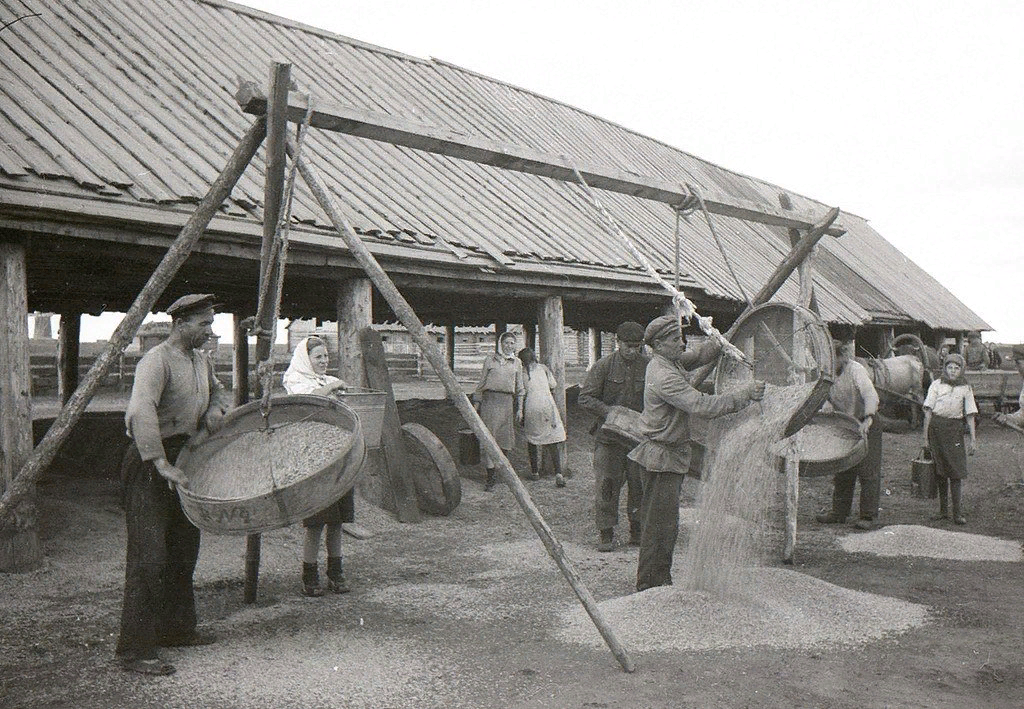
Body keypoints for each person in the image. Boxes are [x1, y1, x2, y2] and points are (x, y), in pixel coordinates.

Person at [116, 294, 232, 676]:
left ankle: (177, 630)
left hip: (184, 460)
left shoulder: (201, 361)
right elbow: (141, 410)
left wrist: (215, 410)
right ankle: (134, 650)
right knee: (150, 556)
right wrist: (160, 461)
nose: (210, 331)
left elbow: (218, 391)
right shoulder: (157, 360)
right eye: (204, 324)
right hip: (151, 462)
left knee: (184, 550)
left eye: (211, 323)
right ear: (180, 323)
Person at [628, 315, 765, 592]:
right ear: (658, 344)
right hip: (661, 458)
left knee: (666, 524)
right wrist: (744, 395)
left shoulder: (671, 360)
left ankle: (658, 580)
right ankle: (650, 586)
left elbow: (701, 354)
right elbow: (703, 406)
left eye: (681, 337)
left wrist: (726, 333)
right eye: (675, 339)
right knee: (660, 527)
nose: (683, 343)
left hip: (670, 454)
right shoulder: (663, 375)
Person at [282, 336, 354, 597]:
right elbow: (309, 399)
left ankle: (336, 573)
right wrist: (334, 388)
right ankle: (309, 576)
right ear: (306, 359)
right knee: (316, 523)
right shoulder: (295, 380)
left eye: (326, 357)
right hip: (313, 460)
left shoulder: (328, 381)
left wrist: (336, 388)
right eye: (318, 357)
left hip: (336, 456)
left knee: (337, 522)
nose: (324, 361)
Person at [578, 321, 649, 550]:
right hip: (609, 439)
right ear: (618, 343)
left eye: (637, 346)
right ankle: (606, 532)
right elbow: (585, 398)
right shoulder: (603, 366)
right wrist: (611, 413)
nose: (632, 350)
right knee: (607, 485)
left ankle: (636, 530)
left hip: (638, 439)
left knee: (639, 485)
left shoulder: (649, 366)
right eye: (628, 346)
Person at [816, 340, 882, 530]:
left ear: (842, 357)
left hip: (866, 421)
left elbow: (870, 394)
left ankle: (868, 515)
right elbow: (822, 396)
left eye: (831, 359)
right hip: (845, 423)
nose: (827, 363)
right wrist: (825, 405)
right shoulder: (825, 374)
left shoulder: (856, 370)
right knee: (843, 466)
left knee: (868, 470)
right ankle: (839, 512)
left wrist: (868, 418)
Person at [921, 353, 978, 525]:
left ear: (961, 370)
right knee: (940, 472)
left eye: (957, 368)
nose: (953, 371)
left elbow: (970, 415)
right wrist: (925, 439)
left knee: (956, 472)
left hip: (955, 431)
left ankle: (957, 513)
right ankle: (943, 511)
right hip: (936, 430)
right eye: (950, 368)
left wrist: (973, 440)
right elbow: (928, 412)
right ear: (945, 368)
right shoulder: (936, 385)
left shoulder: (966, 388)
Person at [472, 330, 525, 490]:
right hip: (490, 402)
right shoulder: (490, 360)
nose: (509, 346)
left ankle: (502, 473)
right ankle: (490, 478)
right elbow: (481, 385)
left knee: (505, 439)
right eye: (506, 342)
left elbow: (520, 388)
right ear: (501, 344)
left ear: (515, 345)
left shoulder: (517, 363)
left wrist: (520, 409)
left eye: (512, 343)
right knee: (490, 438)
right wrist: (476, 406)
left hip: (507, 403)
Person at [516, 347, 567, 486]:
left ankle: (535, 472)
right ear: (534, 357)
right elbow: (553, 384)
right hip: (546, 405)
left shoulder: (521, 373)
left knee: (532, 439)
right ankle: (558, 473)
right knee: (552, 440)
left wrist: (520, 410)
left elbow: (520, 392)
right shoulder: (543, 368)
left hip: (531, 406)